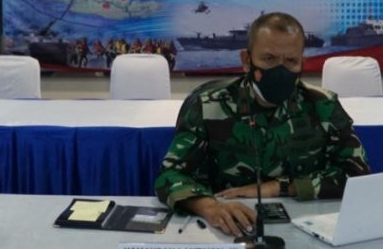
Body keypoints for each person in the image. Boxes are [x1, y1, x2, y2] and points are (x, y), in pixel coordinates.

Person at [154, 12, 370, 236]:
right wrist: (209, 207)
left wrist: (282, 187)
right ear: (246, 60)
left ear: (302, 63)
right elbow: (169, 176)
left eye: (291, 61)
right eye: (269, 59)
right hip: (228, 228)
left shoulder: (323, 105)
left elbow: (356, 175)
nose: (280, 69)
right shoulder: (209, 106)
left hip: (304, 227)